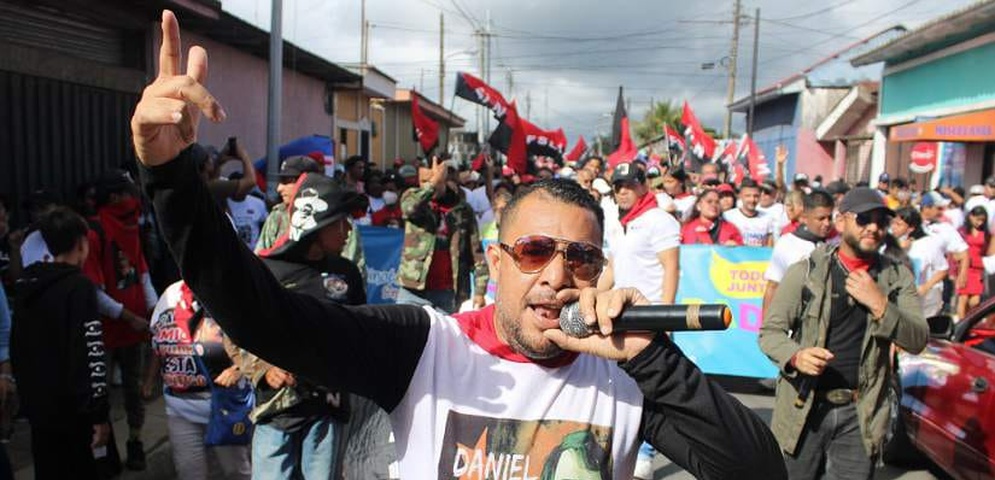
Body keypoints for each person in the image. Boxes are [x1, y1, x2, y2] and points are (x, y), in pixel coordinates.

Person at [129, 11, 787, 478]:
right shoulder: (425, 346)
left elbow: (757, 470)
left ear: (599, 273)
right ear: (496, 263)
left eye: (579, 257)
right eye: (535, 251)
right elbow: (259, 316)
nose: (557, 274)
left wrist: (653, 361)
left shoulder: (622, 376)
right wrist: (172, 179)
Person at [759, 187, 928, 479]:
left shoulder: (896, 278)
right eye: (864, 219)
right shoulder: (807, 271)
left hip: (861, 412)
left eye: (881, 221)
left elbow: (918, 339)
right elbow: (769, 332)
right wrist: (796, 356)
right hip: (805, 408)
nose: (873, 228)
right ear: (841, 222)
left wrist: (880, 304)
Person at [11, 207, 110, 479]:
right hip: (74, 414)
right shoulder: (79, 287)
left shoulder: (26, 286)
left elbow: (18, 348)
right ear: (81, 243)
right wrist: (98, 412)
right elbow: (89, 353)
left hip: (39, 410)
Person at [598, 162, 681, 479]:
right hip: (621, 315)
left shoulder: (659, 220)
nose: (621, 191)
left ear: (644, 185)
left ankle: (645, 454)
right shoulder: (622, 222)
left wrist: (667, 316)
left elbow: (671, 267)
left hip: (650, 315)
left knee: (651, 389)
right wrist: (585, 297)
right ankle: (623, 452)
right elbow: (613, 270)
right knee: (621, 386)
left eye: (628, 185)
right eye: (617, 185)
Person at [143, 280, 251, 479]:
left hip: (224, 407)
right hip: (179, 408)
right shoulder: (171, 293)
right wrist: (150, 380)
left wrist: (239, 369)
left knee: (235, 472)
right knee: (189, 473)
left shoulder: (230, 291)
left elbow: (255, 343)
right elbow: (156, 341)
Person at [396, 155, 488, 314]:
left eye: (432, 180)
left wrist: (480, 292)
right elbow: (408, 208)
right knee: (404, 336)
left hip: (448, 292)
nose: (427, 185)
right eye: (423, 182)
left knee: (442, 338)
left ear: (445, 181)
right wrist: (431, 185)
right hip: (413, 288)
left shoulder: (463, 210)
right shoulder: (413, 198)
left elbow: (476, 253)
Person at [762, 190, 835, 314]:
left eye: (829, 217)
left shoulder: (835, 244)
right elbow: (773, 287)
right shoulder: (787, 243)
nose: (827, 223)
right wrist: (764, 326)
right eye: (821, 218)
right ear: (805, 218)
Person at [256, 155, 325, 252]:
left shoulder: (331, 217)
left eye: (287, 181)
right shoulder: (277, 215)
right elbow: (260, 257)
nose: (279, 188)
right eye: (280, 181)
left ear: (308, 182)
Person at [890, 207, 948, 318]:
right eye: (893, 223)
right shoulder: (889, 242)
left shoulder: (928, 244)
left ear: (911, 228)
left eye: (898, 224)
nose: (893, 228)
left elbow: (943, 269)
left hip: (925, 305)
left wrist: (925, 287)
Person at [957, 206, 992, 318]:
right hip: (964, 267)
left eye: (982, 220)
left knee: (975, 301)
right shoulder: (962, 231)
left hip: (978, 267)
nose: (980, 223)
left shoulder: (986, 234)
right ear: (971, 216)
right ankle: (961, 325)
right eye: (978, 219)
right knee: (963, 298)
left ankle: (969, 320)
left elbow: (989, 252)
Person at [723, 179, 775, 247]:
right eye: (748, 196)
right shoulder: (728, 217)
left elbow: (770, 247)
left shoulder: (767, 218)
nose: (752, 200)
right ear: (740, 196)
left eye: (756, 196)